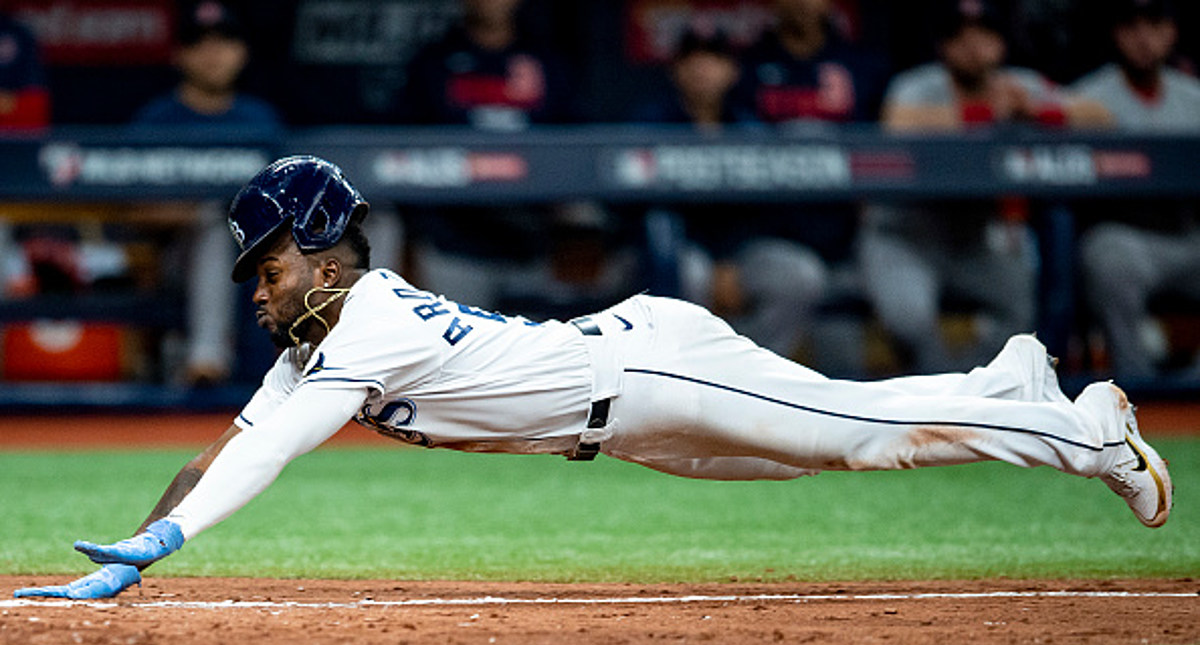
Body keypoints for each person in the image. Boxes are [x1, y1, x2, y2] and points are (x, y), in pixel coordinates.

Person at [15, 155, 1173, 600]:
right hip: (629, 424)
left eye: (264, 267)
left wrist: (171, 547)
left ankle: (1086, 434)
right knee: (851, 434)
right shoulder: (317, 343)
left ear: (317, 252)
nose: (254, 290)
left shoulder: (362, 315)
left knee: (852, 438)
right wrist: (139, 538)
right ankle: (1005, 377)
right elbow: (217, 452)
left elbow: (268, 454)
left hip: (653, 368)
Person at [858, 0, 1109, 375]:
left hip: (973, 240)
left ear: (1001, 43)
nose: (973, 45)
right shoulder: (919, 86)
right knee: (909, 319)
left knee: (1021, 306)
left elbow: (1102, 119)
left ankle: (964, 387)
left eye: (984, 35)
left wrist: (1039, 111)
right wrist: (984, 114)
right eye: (959, 36)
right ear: (943, 46)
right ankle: (938, 391)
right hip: (906, 237)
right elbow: (898, 124)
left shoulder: (1018, 85)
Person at [399, 0, 609, 314]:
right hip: (455, 244)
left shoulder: (546, 59)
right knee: (459, 358)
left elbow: (577, 147)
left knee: (526, 359)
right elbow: (402, 148)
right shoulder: (435, 60)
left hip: (529, 244)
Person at [634, 28, 817, 359]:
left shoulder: (750, 128)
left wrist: (730, 259)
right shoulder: (651, 125)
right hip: (682, 251)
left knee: (800, 275)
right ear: (675, 69)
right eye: (691, 57)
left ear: (732, 70)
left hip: (741, 252)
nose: (702, 67)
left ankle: (754, 372)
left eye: (714, 58)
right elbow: (650, 211)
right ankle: (689, 373)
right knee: (690, 272)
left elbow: (767, 209)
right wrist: (716, 259)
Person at [728, 0, 891, 369]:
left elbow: (888, 159)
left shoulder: (863, 66)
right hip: (772, 234)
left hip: (845, 240)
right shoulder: (746, 68)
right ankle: (745, 395)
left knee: (843, 367)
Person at [131, 1, 283, 385]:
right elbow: (133, 210)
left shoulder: (261, 119)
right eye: (199, 44)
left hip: (262, 256)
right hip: (178, 257)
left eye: (225, 42)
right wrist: (199, 212)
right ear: (179, 54)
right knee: (216, 228)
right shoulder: (157, 120)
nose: (213, 54)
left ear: (242, 52)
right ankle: (206, 363)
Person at [1071, 0, 1200, 380]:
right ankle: (1135, 387)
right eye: (1132, 27)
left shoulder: (1194, 96)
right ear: (1117, 35)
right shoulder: (1087, 97)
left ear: (1171, 33)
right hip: (1128, 236)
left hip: (1188, 235)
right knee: (1108, 256)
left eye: (1154, 25)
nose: (1143, 38)